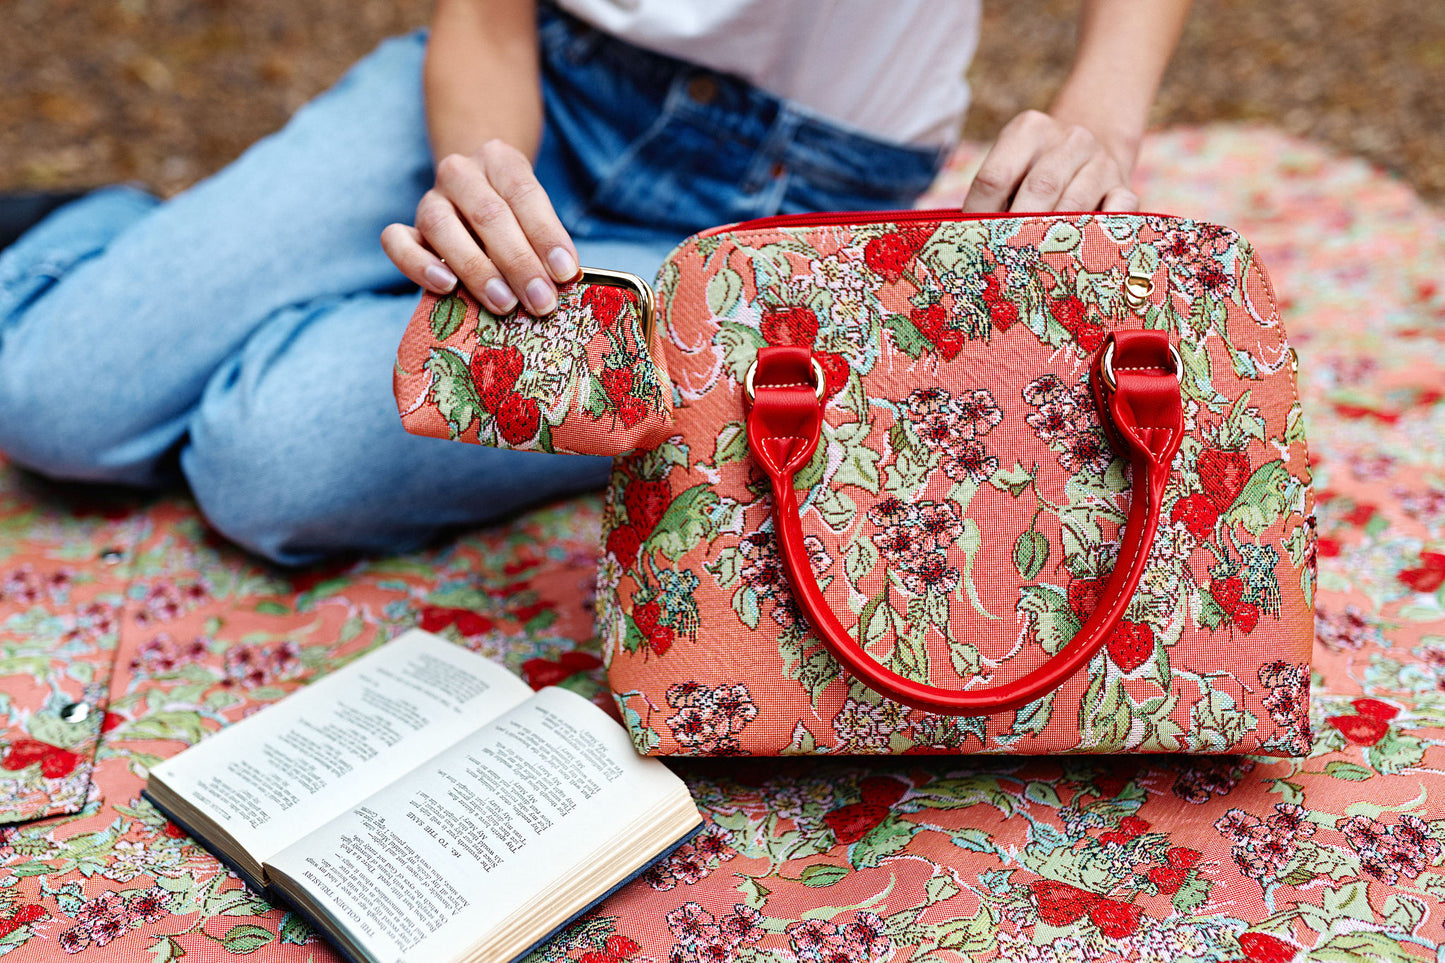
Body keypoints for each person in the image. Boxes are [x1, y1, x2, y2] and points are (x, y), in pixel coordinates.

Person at [0, 0, 1190, 566]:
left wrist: (1100, 115)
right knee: (50, 398)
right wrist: (485, 183)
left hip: (782, 200)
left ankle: (257, 300)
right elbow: (483, 18)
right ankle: (117, 242)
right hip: (528, 90)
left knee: (267, 466)